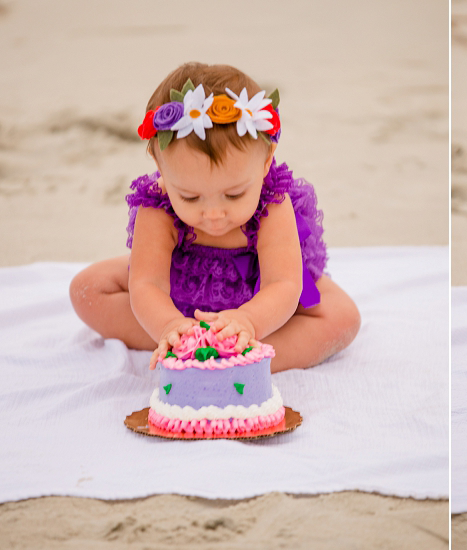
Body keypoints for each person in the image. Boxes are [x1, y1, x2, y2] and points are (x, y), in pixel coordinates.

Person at [70, 62, 360, 372]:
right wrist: (167, 323)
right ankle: (185, 342)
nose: (213, 214)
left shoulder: (273, 202)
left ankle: (248, 357)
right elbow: (147, 283)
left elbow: (283, 283)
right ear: (160, 167)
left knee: (342, 316)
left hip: (260, 301)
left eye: (234, 195)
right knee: (88, 289)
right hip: (180, 298)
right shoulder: (157, 205)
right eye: (190, 197)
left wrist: (249, 319)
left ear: (265, 163)